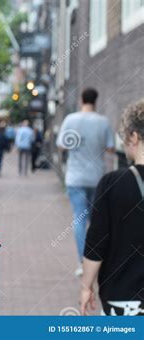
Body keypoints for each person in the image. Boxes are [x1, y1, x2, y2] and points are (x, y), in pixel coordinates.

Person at [79, 99, 144, 316]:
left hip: (124, 300)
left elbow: (96, 242)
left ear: (134, 136)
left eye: (124, 138)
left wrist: (86, 286)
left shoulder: (113, 183)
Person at [56, 88, 115, 277]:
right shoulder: (103, 122)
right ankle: (98, 260)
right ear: (96, 101)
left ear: (82, 100)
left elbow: (62, 145)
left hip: (75, 177)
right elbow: (111, 149)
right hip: (97, 178)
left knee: (79, 219)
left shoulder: (71, 120)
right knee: (96, 220)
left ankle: (83, 262)